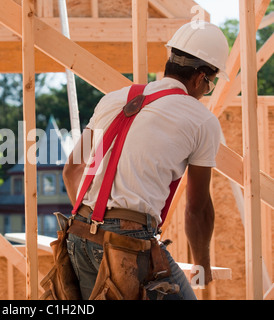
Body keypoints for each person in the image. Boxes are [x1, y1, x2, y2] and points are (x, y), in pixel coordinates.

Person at [62, 21, 229, 300]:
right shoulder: (201, 121)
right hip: (129, 242)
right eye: (209, 86)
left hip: (78, 234)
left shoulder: (112, 100)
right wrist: (202, 263)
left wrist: (90, 223)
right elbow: (197, 209)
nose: (205, 92)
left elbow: (71, 171)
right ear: (200, 78)